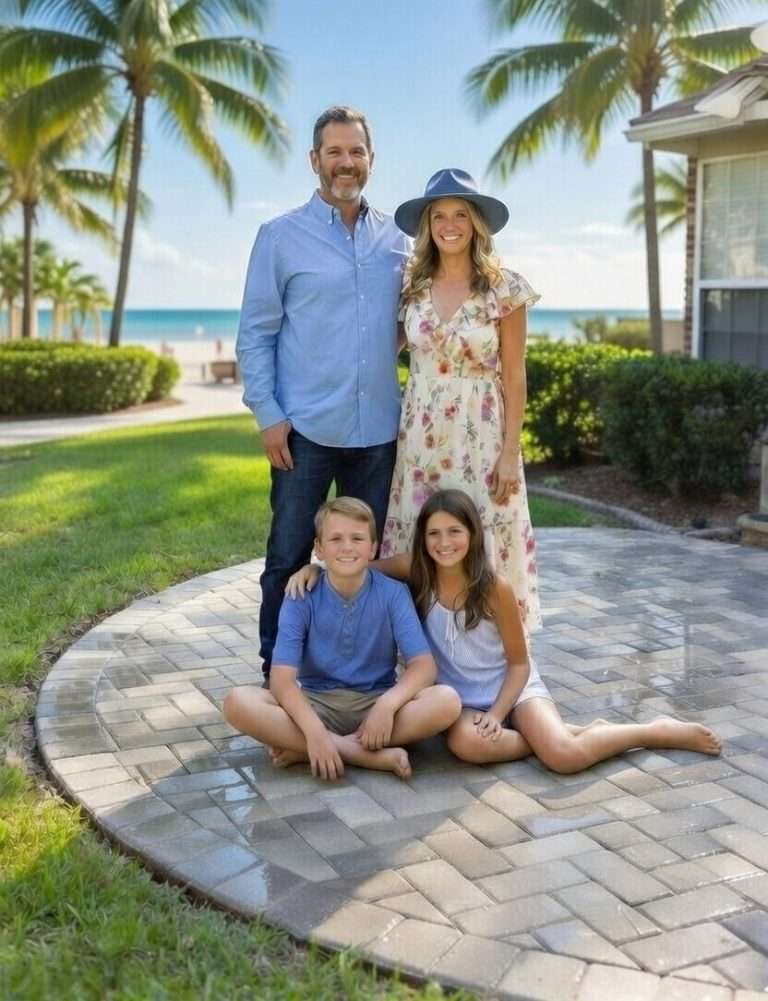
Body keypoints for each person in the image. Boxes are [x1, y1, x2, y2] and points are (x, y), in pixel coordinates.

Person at [287, 489, 722, 773]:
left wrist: (497, 714)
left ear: (472, 535)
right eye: (434, 533)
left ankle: (650, 730)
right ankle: (554, 734)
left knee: (564, 759)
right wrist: (312, 566)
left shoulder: (493, 588)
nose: (444, 543)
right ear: (422, 539)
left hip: (510, 690)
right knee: (468, 748)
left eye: (454, 532)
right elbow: (352, 566)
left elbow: (518, 664)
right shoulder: (413, 570)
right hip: (454, 699)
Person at [236, 106, 410, 684]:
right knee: (287, 558)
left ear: (371, 160)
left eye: (356, 152)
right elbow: (256, 335)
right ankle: (275, 675)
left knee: (369, 564)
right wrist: (268, 415)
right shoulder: (280, 237)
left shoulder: (399, 242)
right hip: (304, 433)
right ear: (315, 160)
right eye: (334, 152)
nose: (345, 163)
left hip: (380, 435)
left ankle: (358, 677)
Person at [380, 168, 541, 634]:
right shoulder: (411, 287)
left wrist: (511, 452)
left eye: (460, 215)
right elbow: (378, 350)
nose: (449, 225)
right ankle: (422, 651)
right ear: (427, 226)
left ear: (476, 224)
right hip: (422, 439)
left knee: (486, 537)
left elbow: (514, 375)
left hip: (483, 435)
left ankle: (497, 654)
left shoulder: (504, 288)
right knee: (424, 536)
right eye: (439, 216)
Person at [223, 497, 461, 781]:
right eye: (336, 539)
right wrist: (313, 731)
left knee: (446, 701)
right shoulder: (300, 596)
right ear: (319, 549)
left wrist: (387, 705)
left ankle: (310, 749)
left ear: (373, 548)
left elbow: (424, 666)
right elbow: (282, 680)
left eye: (357, 538)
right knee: (238, 702)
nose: (347, 547)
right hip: (317, 703)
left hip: (376, 701)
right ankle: (358, 753)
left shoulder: (394, 594)